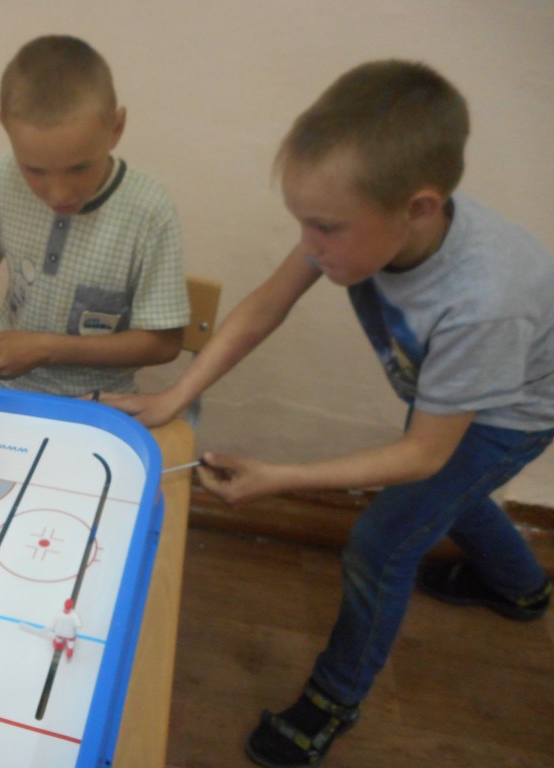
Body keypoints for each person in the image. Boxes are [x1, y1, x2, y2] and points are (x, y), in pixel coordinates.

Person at [107, 60, 554, 767]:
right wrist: (174, 396)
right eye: (303, 224)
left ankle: (335, 695)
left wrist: (279, 478)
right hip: (455, 399)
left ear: (419, 209)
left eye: (325, 229)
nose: (309, 247)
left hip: (514, 414)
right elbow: (265, 307)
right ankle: (523, 590)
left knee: (383, 542)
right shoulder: (363, 217)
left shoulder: (484, 303)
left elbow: (425, 454)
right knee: (450, 497)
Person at [0, 35, 189, 397]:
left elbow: (164, 343)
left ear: (116, 129)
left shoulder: (149, 210)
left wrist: (47, 349)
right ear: (5, 127)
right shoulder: (6, 175)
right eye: (35, 171)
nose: (59, 194)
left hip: (95, 399)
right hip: (2, 383)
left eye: (79, 168)